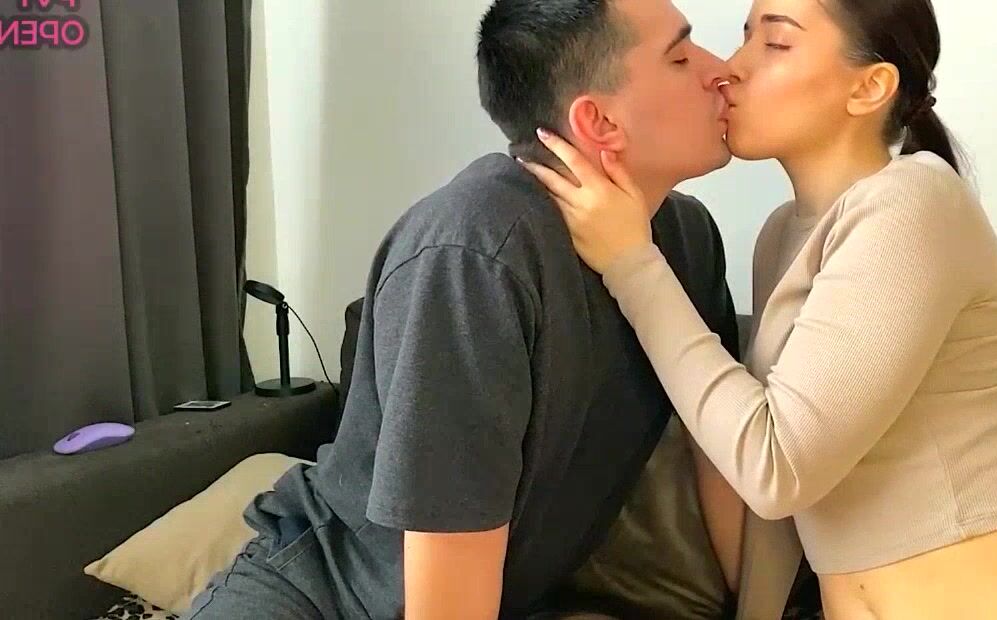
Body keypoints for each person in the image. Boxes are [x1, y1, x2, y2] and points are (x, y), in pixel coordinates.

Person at [518, 0, 997, 618]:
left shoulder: (914, 201)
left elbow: (776, 467)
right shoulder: (783, 236)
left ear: (869, 88)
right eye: (745, 37)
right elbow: (779, 507)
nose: (730, 68)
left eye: (775, 44)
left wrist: (633, 264)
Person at [180, 0, 750, 619]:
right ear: (600, 120)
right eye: (680, 57)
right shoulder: (474, 252)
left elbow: (722, 451)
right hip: (324, 601)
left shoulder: (685, 241)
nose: (721, 70)